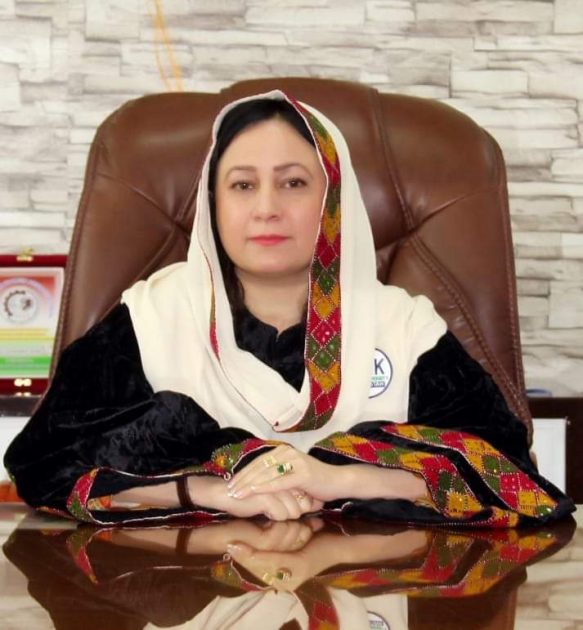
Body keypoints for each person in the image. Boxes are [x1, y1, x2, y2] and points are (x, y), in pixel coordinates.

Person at [3, 91, 574, 527]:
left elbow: (511, 478)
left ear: (333, 200)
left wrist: (335, 478)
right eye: (242, 185)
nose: (267, 208)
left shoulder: (403, 328)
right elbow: (44, 466)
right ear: (212, 203)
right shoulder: (152, 319)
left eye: (295, 183)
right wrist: (214, 491)